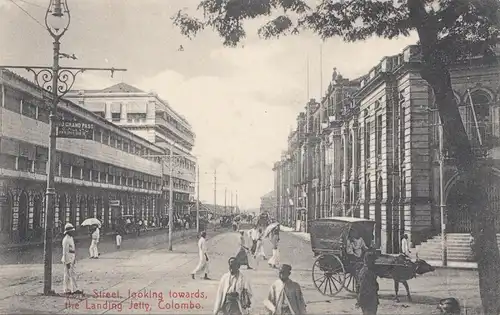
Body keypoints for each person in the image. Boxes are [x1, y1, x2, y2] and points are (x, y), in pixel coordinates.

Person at [61, 223, 82, 295]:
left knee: (69, 274)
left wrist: (74, 258)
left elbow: (72, 250)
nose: (73, 232)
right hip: (67, 259)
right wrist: (67, 263)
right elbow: (65, 252)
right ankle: (72, 289)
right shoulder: (66, 240)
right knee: (69, 274)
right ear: (68, 231)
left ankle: (68, 289)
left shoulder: (71, 238)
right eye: (71, 231)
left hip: (71, 258)